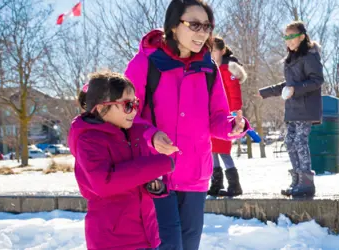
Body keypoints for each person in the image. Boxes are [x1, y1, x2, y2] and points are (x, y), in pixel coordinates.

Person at [124, 0, 249, 249]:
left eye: (207, 26)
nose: (202, 32)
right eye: (194, 24)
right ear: (173, 26)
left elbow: (217, 116)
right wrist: (150, 136)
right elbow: (125, 115)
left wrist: (234, 126)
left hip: (195, 174)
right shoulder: (145, 63)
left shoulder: (208, 67)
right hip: (155, 172)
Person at [68, 72, 174, 250]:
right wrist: (157, 165)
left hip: (146, 234)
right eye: (127, 105)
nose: (134, 110)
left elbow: (139, 176)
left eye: (136, 103)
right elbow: (104, 183)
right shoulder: (89, 140)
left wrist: (156, 186)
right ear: (102, 109)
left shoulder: (134, 133)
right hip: (113, 241)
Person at [257, 21, 324, 197]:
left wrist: (296, 89)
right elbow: (288, 85)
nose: (288, 40)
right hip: (292, 108)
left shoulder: (310, 56)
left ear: (301, 37)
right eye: (286, 37)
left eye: (291, 36)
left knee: (300, 141)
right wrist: (266, 92)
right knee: (290, 142)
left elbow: (317, 80)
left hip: (305, 108)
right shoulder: (291, 59)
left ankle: (307, 183)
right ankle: (297, 181)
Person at [208, 36, 248, 197]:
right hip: (213, 116)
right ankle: (216, 183)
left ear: (222, 51)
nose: (211, 55)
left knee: (223, 151)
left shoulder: (227, 68)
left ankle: (234, 185)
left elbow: (234, 93)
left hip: (225, 117)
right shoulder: (212, 69)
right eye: (209, 51)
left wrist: (235, 113)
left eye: (214, 51)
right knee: (212, 150)